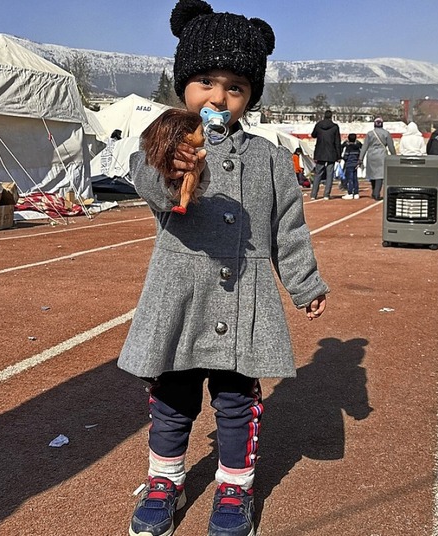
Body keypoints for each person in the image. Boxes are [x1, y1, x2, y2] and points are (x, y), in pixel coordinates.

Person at [118, 2, 330, 536]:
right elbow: (145, 180)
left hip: (246, 299)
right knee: (172, 397)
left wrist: (304, 284)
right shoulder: (166, 143)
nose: (218, 97)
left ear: (250, 96)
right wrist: (171, 167)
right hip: (180, 296)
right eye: (206, 82)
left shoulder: (270, 157)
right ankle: (165, 480)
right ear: (184, 84)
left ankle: (234, 489)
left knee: (236, 402)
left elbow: (289, 228)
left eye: (235, 87)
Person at [358, 117, 396, 201]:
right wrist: (394, 156)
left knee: (372, 174)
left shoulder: (370, 134)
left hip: (371, 155)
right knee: (380, 174)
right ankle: (376, 192)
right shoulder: (386, 133)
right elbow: (391, 146)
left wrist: (360, 158)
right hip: (382, 155)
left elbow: (364, 147)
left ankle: (374, 190)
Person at [310, 110, 341, 200]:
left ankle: (313, 194)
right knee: (330, 174)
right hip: (331, 152)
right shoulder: (335, 127)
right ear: (331, 116)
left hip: (320, 152)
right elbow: (337, 142)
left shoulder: (319, 125)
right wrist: (339, 155)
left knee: (318, 174)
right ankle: (326, 194)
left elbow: (313, 135)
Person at [341, 133, 362, 199]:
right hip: (355, 164)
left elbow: (346, 156)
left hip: (349, 164)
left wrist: (343, 158)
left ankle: (350, 193)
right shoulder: (357, 147)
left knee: (350, 179)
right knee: (355, 179)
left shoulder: (348, 147)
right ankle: (356, 193)